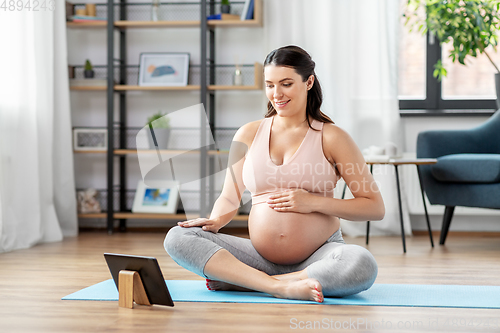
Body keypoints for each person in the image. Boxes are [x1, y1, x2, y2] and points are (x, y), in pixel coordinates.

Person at [164, 45, 384, 303]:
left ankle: (250, 282)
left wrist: (313, 202)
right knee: (178, 236)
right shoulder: (247, 133)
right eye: (269, 85)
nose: (276, 94)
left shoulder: (333, 137)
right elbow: (229, 197)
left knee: (361, 263)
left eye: (286, 84)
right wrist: (215, 220)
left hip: (319, 256)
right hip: (257, 258)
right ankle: (278, 285)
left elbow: (374, 208)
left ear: (308, 81)